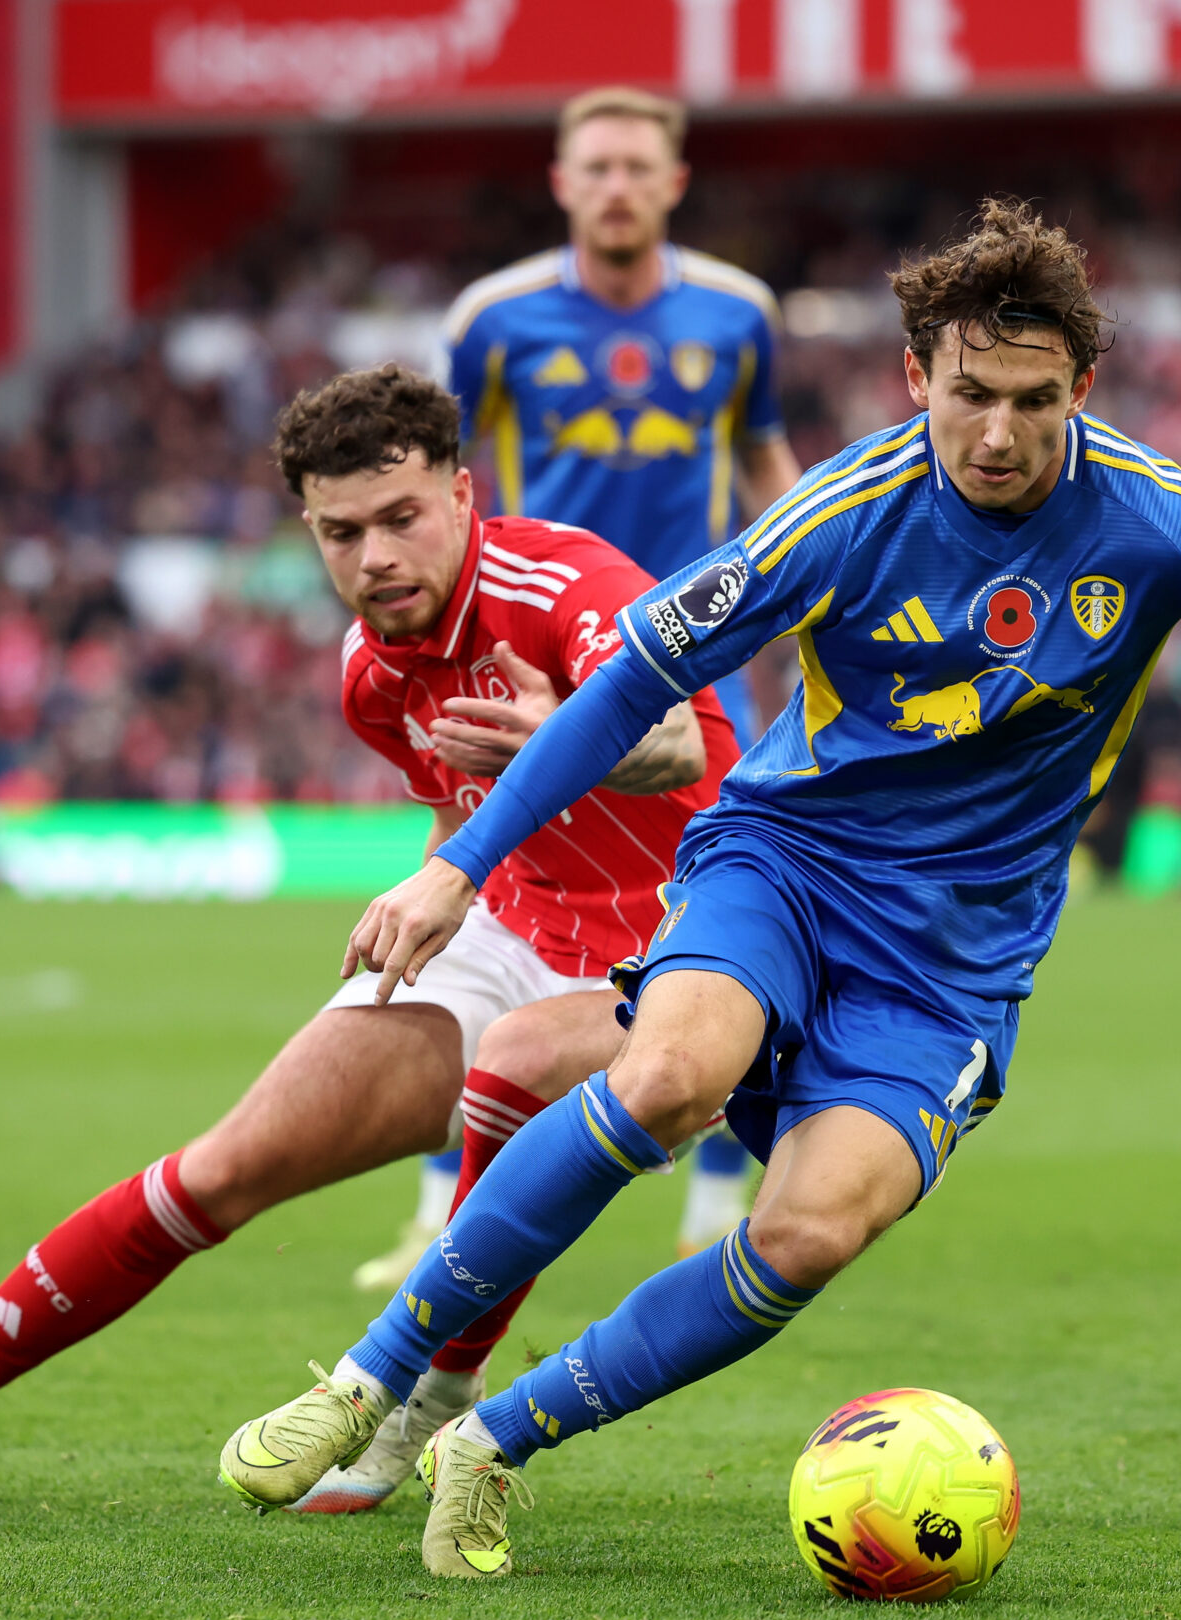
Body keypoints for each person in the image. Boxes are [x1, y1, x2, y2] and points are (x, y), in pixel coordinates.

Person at [211, 201, 1181, 1579]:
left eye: (1030, 400)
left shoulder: (1158, 522)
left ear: (1083, 388)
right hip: (790, 864)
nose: (996, 434)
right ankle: (370, 1378)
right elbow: (635, 681)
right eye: (967, 396)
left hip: (957, 954)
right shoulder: (845, 511)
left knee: (813, 1226)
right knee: (668, 1076)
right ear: (915, 379)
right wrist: (456, 872)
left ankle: (493, 1442)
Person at [0, 366, 736, 1500]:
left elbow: (682, 745)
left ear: (461, 495)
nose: (375, 559)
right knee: (220, 1171)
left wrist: (559, 732)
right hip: (515, 927)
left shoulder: (560, 579)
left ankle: (421, 1414)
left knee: (506, 1086)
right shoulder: (370, 676)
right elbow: (464, 809)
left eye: (401, 518)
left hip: (688, 946)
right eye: (340, 532)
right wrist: (433, 904)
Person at [357, 85, 803, 1288]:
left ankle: (717, 1187)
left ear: (672, 180)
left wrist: (818, 588)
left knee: (721, 888)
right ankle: (435, 1197)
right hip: (542, 648)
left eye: (635, 166)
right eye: (594, 165)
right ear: (562, 181)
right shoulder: (495, 317)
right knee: (490, 877)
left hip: (700, 654)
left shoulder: (735, 310)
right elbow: (453, 476)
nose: (615, 185)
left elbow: (763, 458)